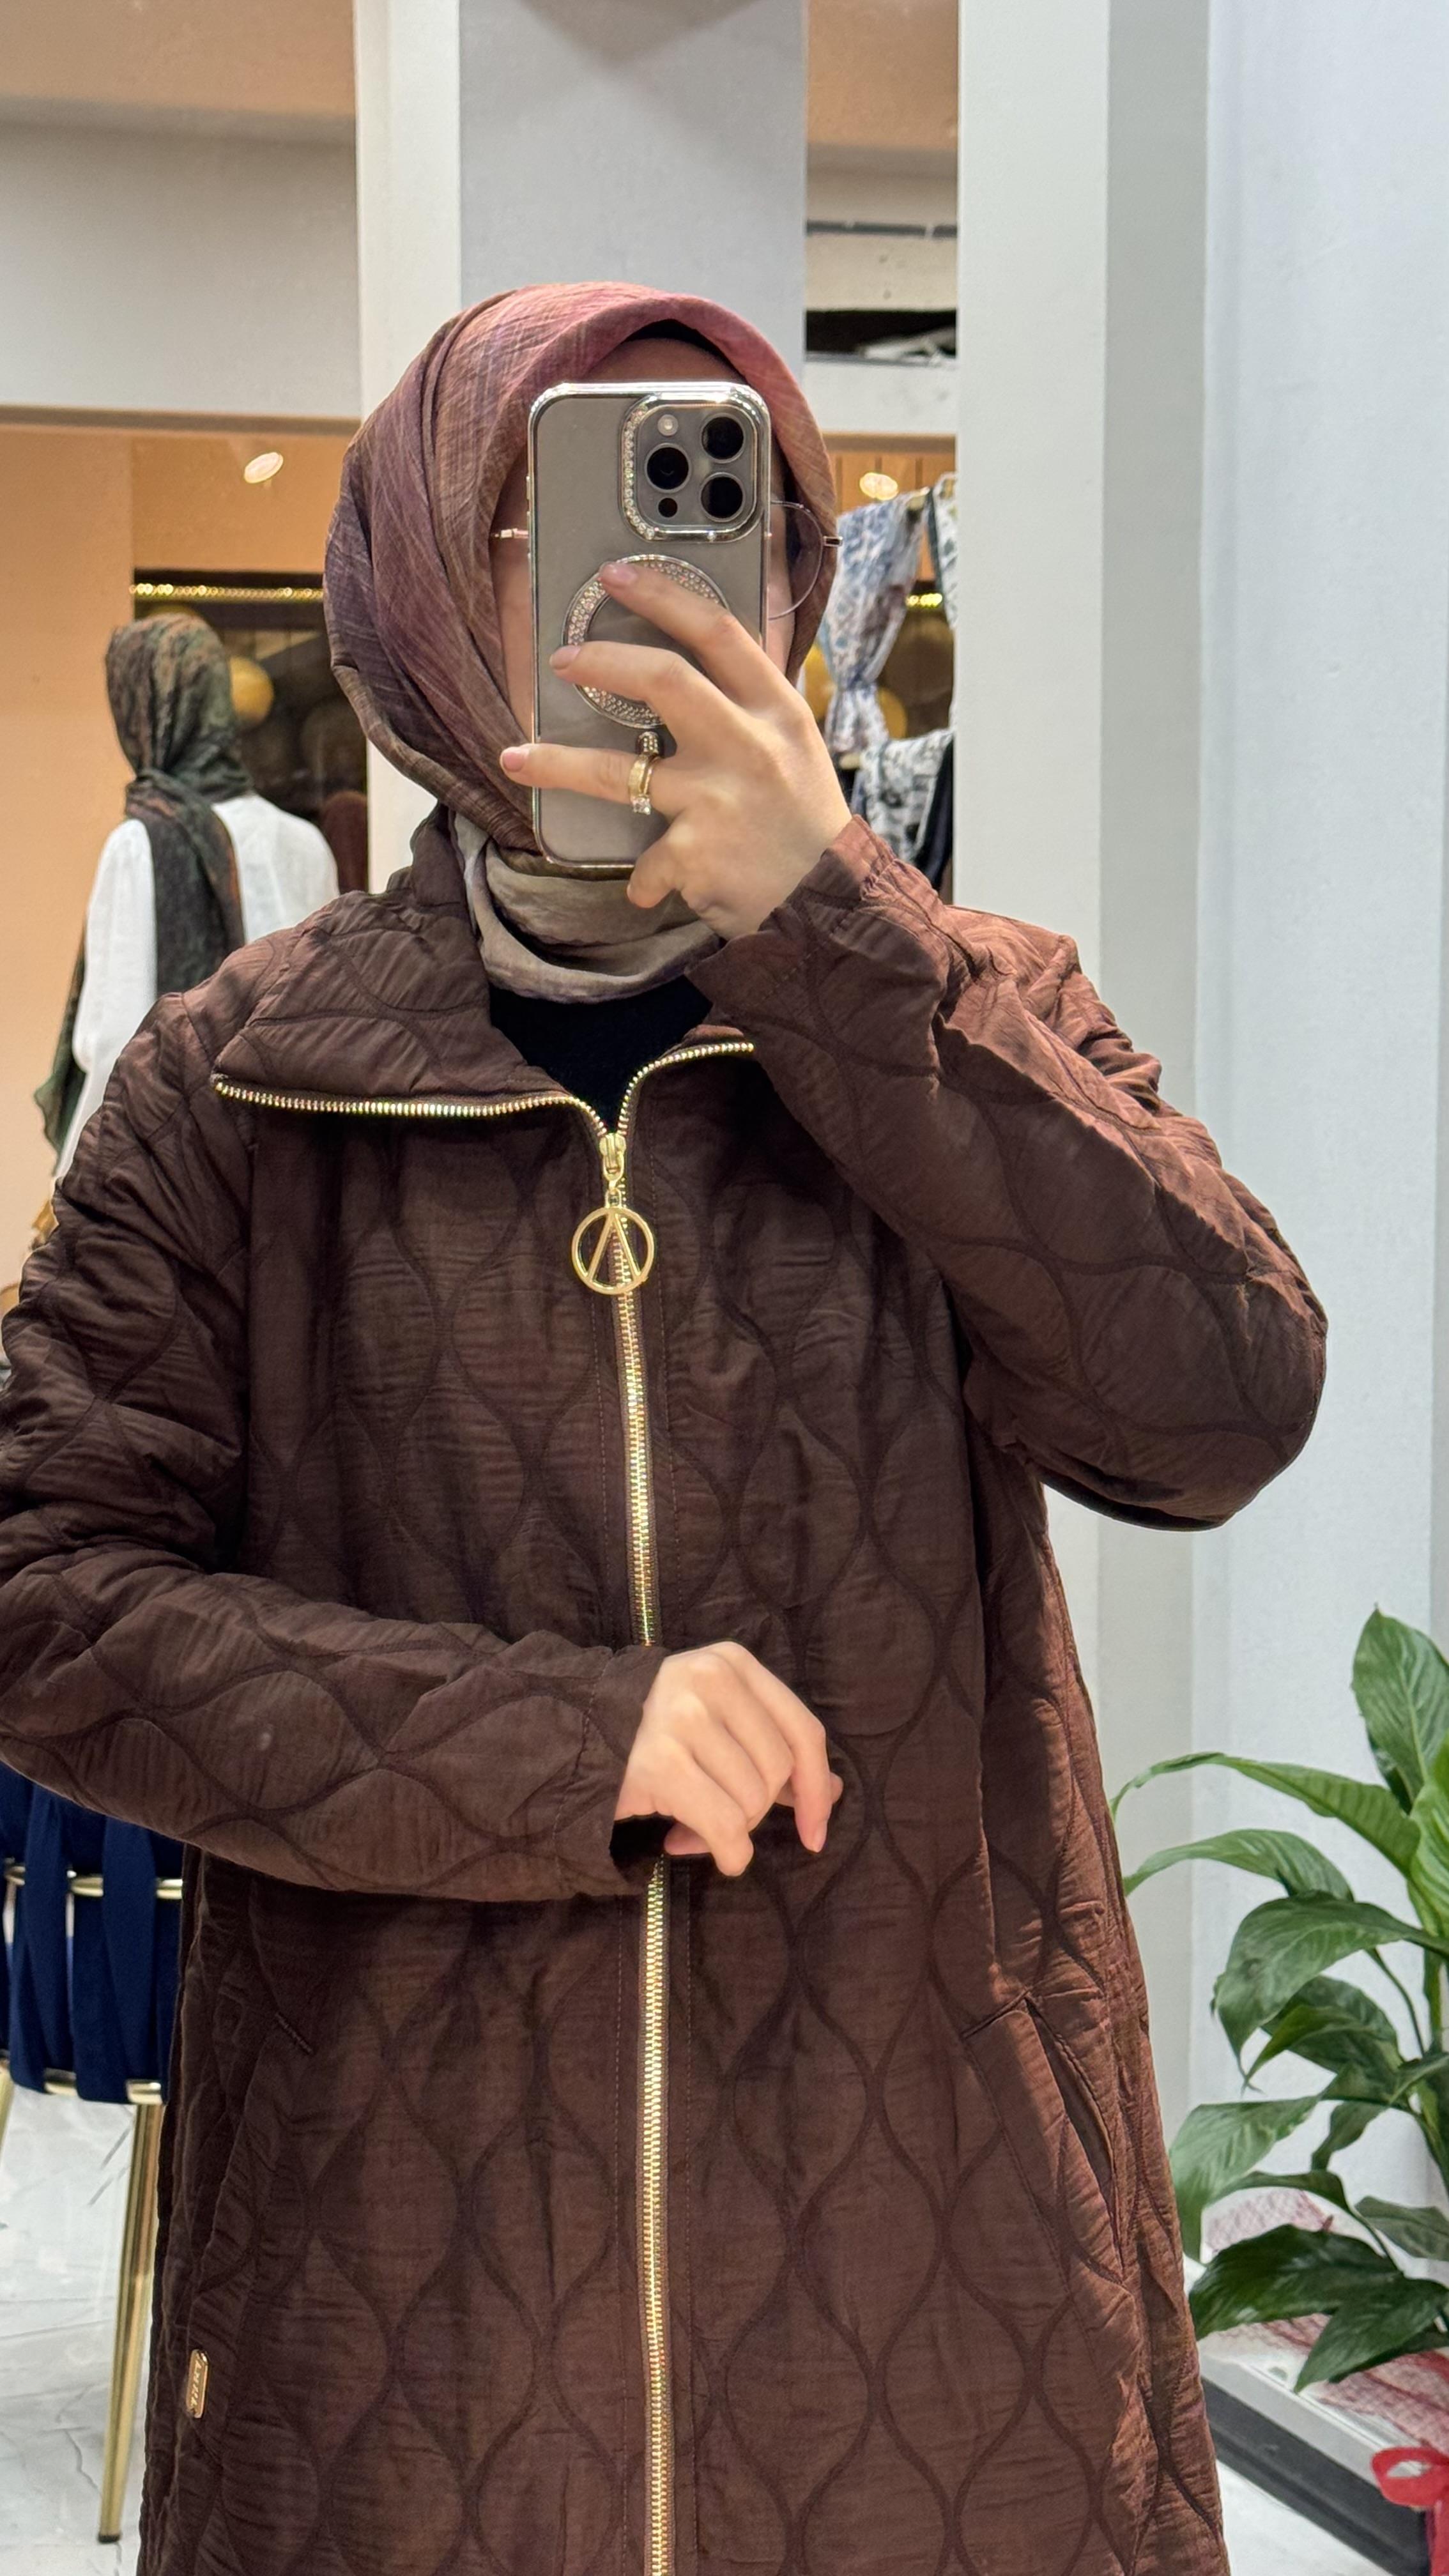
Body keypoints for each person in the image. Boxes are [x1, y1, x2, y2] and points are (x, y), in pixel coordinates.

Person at [0, 284, 1324, 2576]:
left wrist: (845, 946)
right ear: (430, 580)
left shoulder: (980, 1004)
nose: (661, 579)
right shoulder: (238, 1082)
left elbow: (1220, 1406)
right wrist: (557, 1741)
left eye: (734, 515)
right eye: (563, 511)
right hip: (404, 2282)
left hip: (937, 2253)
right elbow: (44, 1603)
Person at [37, 611, 337, 1179]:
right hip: (292, 1162)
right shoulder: (306, 844)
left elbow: (118, 1042)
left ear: (144, 715)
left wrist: (78, 1183)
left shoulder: (139, 845)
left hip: (174, 1179)